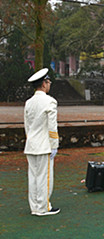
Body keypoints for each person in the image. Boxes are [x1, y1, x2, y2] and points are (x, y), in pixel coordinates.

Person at [24, 68, 60, 216]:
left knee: (33, 177)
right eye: (48, 81)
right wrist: (54, 145)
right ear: (44, 84)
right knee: (44, 178)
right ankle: (44, 207)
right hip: (44, 145)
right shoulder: (50, 101)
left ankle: (35, 207)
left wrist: (30, 140)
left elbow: (27, 125)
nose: (49, 84)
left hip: (31, 145)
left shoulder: (29, 102)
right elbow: (52, 126)